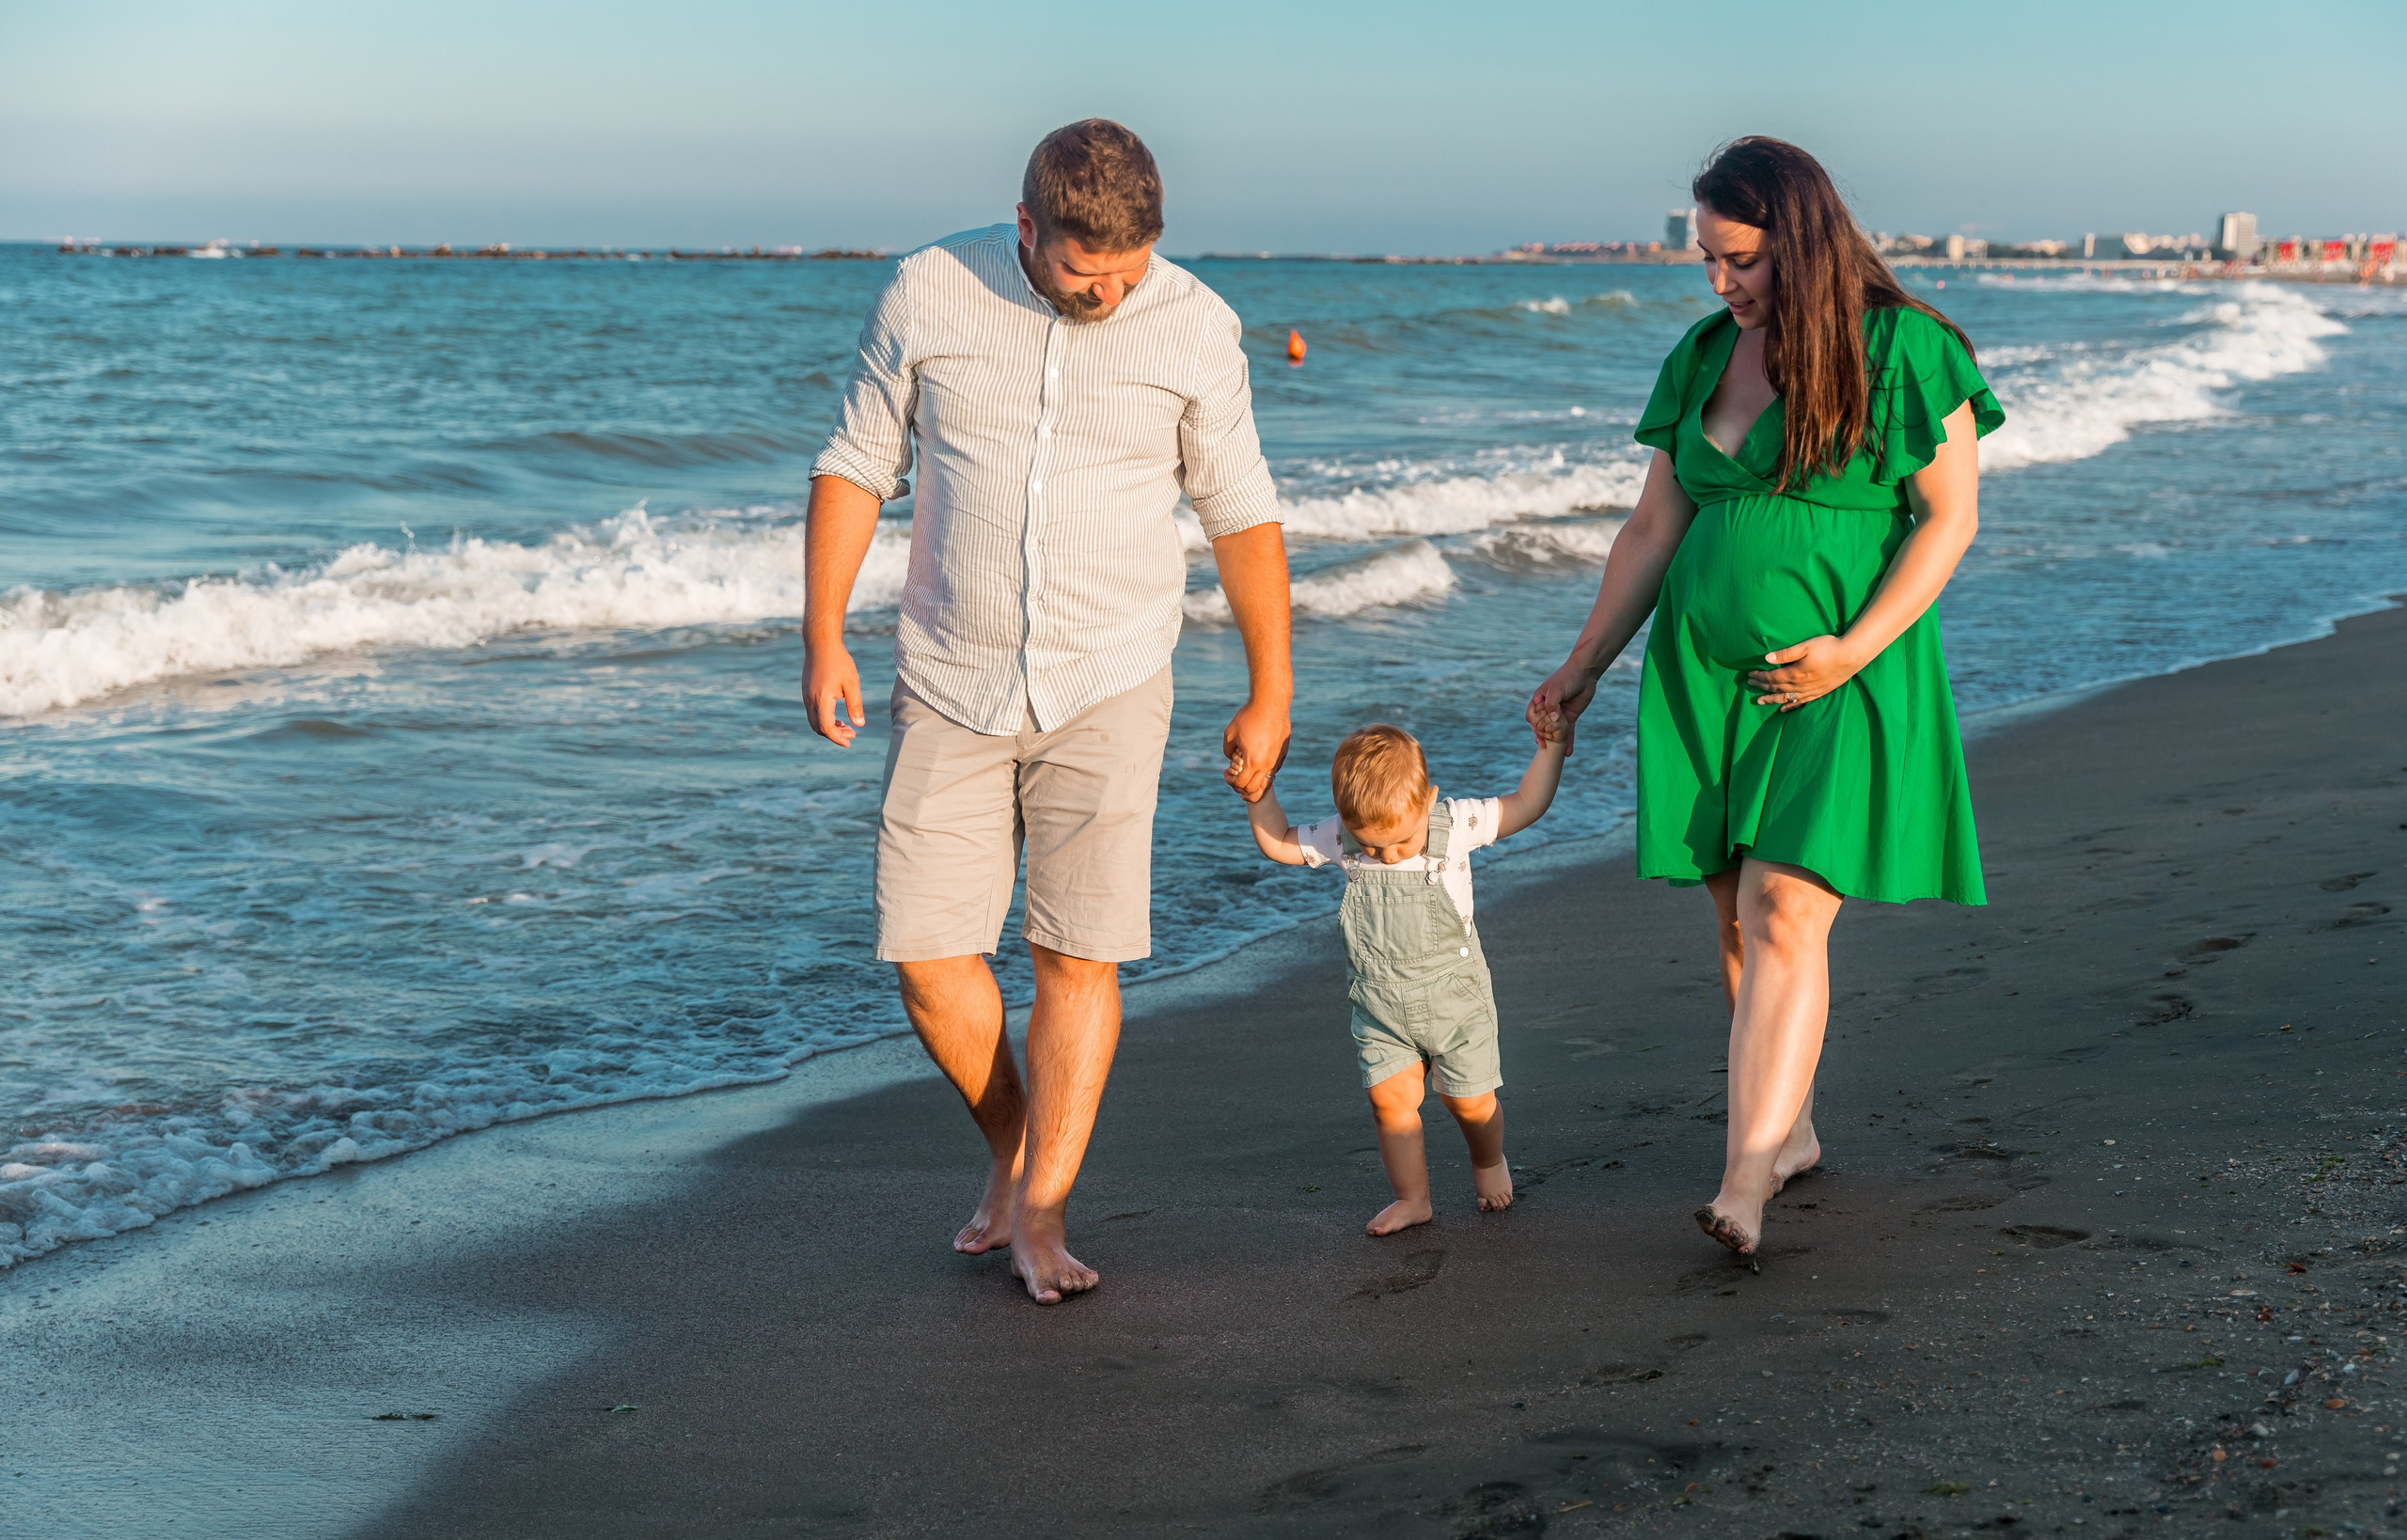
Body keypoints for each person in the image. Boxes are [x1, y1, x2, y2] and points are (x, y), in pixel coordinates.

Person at [802, 119, 1293, 1305]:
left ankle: (1042, 1209)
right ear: (1028, 227)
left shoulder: (1193, 326)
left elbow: (1240, 511)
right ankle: (1012, 1146)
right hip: (950, 672)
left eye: (1128, 268)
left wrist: (1272, 688)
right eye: (1084, 271)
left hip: (1111, 676)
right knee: (925, 953)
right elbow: (857, 464)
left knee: (1076, 953)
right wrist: (822, 634)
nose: (1109, 290)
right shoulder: (930, 289)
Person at [1527, 136, 2003, 1264]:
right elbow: (1655, 526)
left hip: (1845, 669)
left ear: (1799, 242)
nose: (1718, 283)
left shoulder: (1905, 348)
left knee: (1786, 913)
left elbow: (1948, 519)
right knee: (1738, 919)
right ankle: (1783, 1131)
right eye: (1705, 259)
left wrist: (1851, 649)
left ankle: (1743, 1178)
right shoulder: (1701, 355)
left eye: (1737, 260)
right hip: (1705, 679)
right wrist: (1583, 661)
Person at [1246, 722, 1566, 1235]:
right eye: (1372, 846)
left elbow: (1526, 803)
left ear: (1429, 801)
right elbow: (1280, 842)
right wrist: (1260, 793)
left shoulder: (1454, 824)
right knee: (1389, 1105)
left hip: (1455, 1000)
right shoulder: (1343, 838)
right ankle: (1412, 1198)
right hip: (1380, 1007)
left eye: (1400, 840)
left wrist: (1552, 749)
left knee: (1469, 1100)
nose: (1388, 854)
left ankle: (1488, 1163)